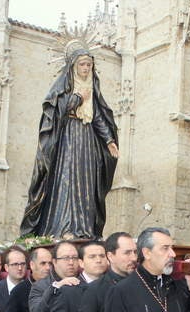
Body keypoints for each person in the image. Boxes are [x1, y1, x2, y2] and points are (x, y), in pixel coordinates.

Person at [20, 48, 119, 240]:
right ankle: (63, 227)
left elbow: (98, 117)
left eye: (89, 64)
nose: (86, 68)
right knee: (67, 180)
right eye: (82, 64)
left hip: (87, 140)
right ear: (73, 67)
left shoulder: (92, 88)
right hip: (67, 140)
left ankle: (83, 228)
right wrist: (79, 97)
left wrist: (108, 140)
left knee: (87, 182)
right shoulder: (63, 89)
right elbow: (58, 111)